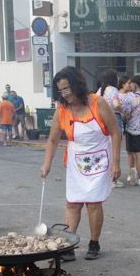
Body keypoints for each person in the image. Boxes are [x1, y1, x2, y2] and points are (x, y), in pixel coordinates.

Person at [40, 67, 121, 260]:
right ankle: (68, 244)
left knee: (93, 203)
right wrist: (46, 164)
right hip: (76, 161)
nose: (65, 94)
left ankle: (94, 243)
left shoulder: (98, 103)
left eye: (67, 88)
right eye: (61, 90)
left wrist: (116, 162)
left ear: (77, 85)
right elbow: (53, 140)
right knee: (73, 203)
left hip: (100, 159)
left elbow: (115, 132)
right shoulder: (61, 111)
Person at [119, 75, 140, 186]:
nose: (130, 85)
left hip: (133, 130)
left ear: (135, 84)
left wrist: (124, 116)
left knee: (134, 153)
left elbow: (126, 115)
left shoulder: (130, 98)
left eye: (131, 83)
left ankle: (136, 176)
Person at [97, 70, 124, 186]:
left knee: (104, 150)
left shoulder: (99, 91)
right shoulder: (113, 90)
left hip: (101, 121)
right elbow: (116, 104)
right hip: (113, 119)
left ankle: (104, 177)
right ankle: (113, 179)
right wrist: (122, 111)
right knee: (114, 149)